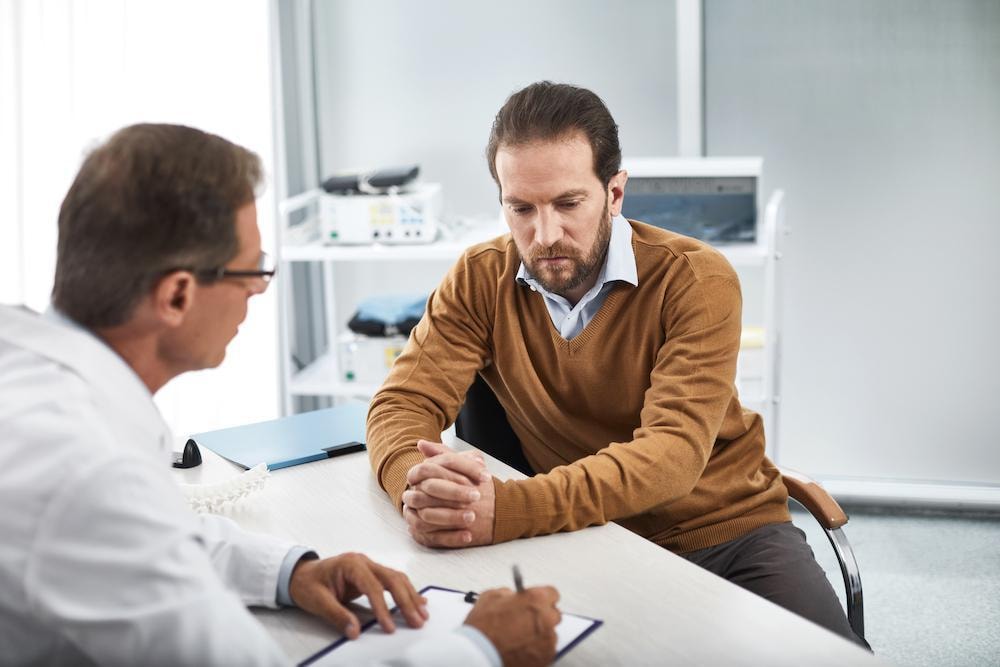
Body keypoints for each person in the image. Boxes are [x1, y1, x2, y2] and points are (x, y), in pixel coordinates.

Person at [0, 123, 561, 667]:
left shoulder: (32, 373)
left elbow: (156, 535)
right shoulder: (84, 468)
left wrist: (291, 571)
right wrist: (480, 650)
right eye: (253, 272)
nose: (255, 294)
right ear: (176, 295)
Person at [366, 81, 860, 645]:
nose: (544, 234)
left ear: (615, 192)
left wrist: (507, 509)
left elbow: (669, 456)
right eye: (520, 208)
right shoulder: (480, 276)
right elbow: (402, 401)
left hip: (723, 532)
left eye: (568, 204)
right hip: (581, 535)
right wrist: (420, 487)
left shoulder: (695, 279)